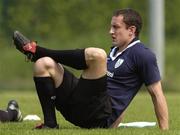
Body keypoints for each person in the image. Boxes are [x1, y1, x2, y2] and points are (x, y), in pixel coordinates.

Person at [12, 8, 168, 130]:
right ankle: (50, 123)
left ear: (131, 30)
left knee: (97, 55)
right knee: (43, 64)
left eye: (116, 27)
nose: (110, 31)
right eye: (111, 27)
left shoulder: (143, 54)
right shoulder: (114, 51)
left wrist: (164, 130)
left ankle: (37, 51)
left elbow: (157, 94)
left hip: (98, 116)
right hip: (79, 108)